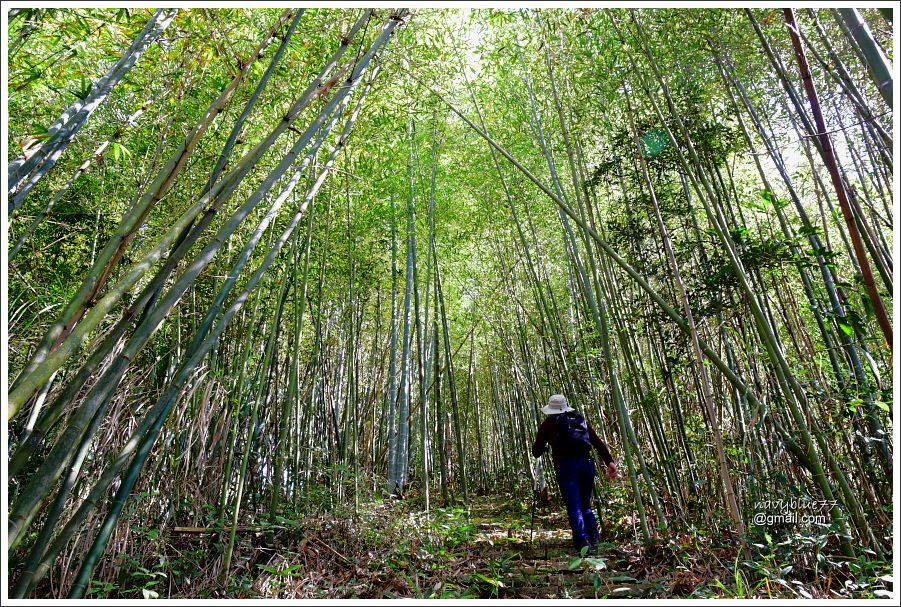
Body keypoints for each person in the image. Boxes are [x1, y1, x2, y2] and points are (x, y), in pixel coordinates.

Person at [532, 394, 618, 552]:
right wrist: (609, 462)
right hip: (587, 464)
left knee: (574, 506)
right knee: (586, 505)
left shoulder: (548, 424)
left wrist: (545, 446)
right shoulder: (580, 419)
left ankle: (582, 543)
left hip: (566, 467)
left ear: (550, 409)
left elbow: (536, 451)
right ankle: (594, 540)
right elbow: (597, 442)